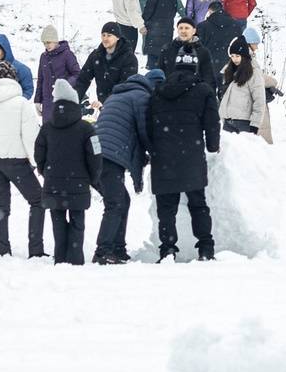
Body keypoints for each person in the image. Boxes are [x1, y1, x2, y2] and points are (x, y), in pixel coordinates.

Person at [0, 63, 46, 257]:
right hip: (16, 162)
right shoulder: (21, 103)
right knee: (38, 200)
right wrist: (37, 162)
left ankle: (2, 250)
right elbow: (31, 137)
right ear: (14, 79)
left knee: (0, 206)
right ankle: (36, 249)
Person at [147, 61, 221, 261]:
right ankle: (205, 247)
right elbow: (212, 121)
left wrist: (152, 150)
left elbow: (148, 125)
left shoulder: (157, 92)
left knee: (166, 209)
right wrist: (213, 146)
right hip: (191, 155)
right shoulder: (203, 90)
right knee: (198, 204)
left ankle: (168, 249)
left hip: (163, 157)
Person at [91, 70, 155, 259]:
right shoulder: (141, 97)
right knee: (116, 203)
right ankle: (103, 252)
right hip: (109, 157)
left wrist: (142, 158)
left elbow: (126, 134)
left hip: (95, 155)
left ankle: (118, 250)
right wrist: (155, 153)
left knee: (121, 201)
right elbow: (144, 133)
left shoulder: (115, 96)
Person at [35, 81, 98, 264]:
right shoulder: (87, 128)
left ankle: (60, 257)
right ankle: (76, 257)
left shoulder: (47, 127)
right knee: (78, 221)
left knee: (58, 221)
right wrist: (92, 178)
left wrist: (44, 170)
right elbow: (96, 156)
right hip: (79, 183)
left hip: (53, 183)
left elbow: (39, 152)